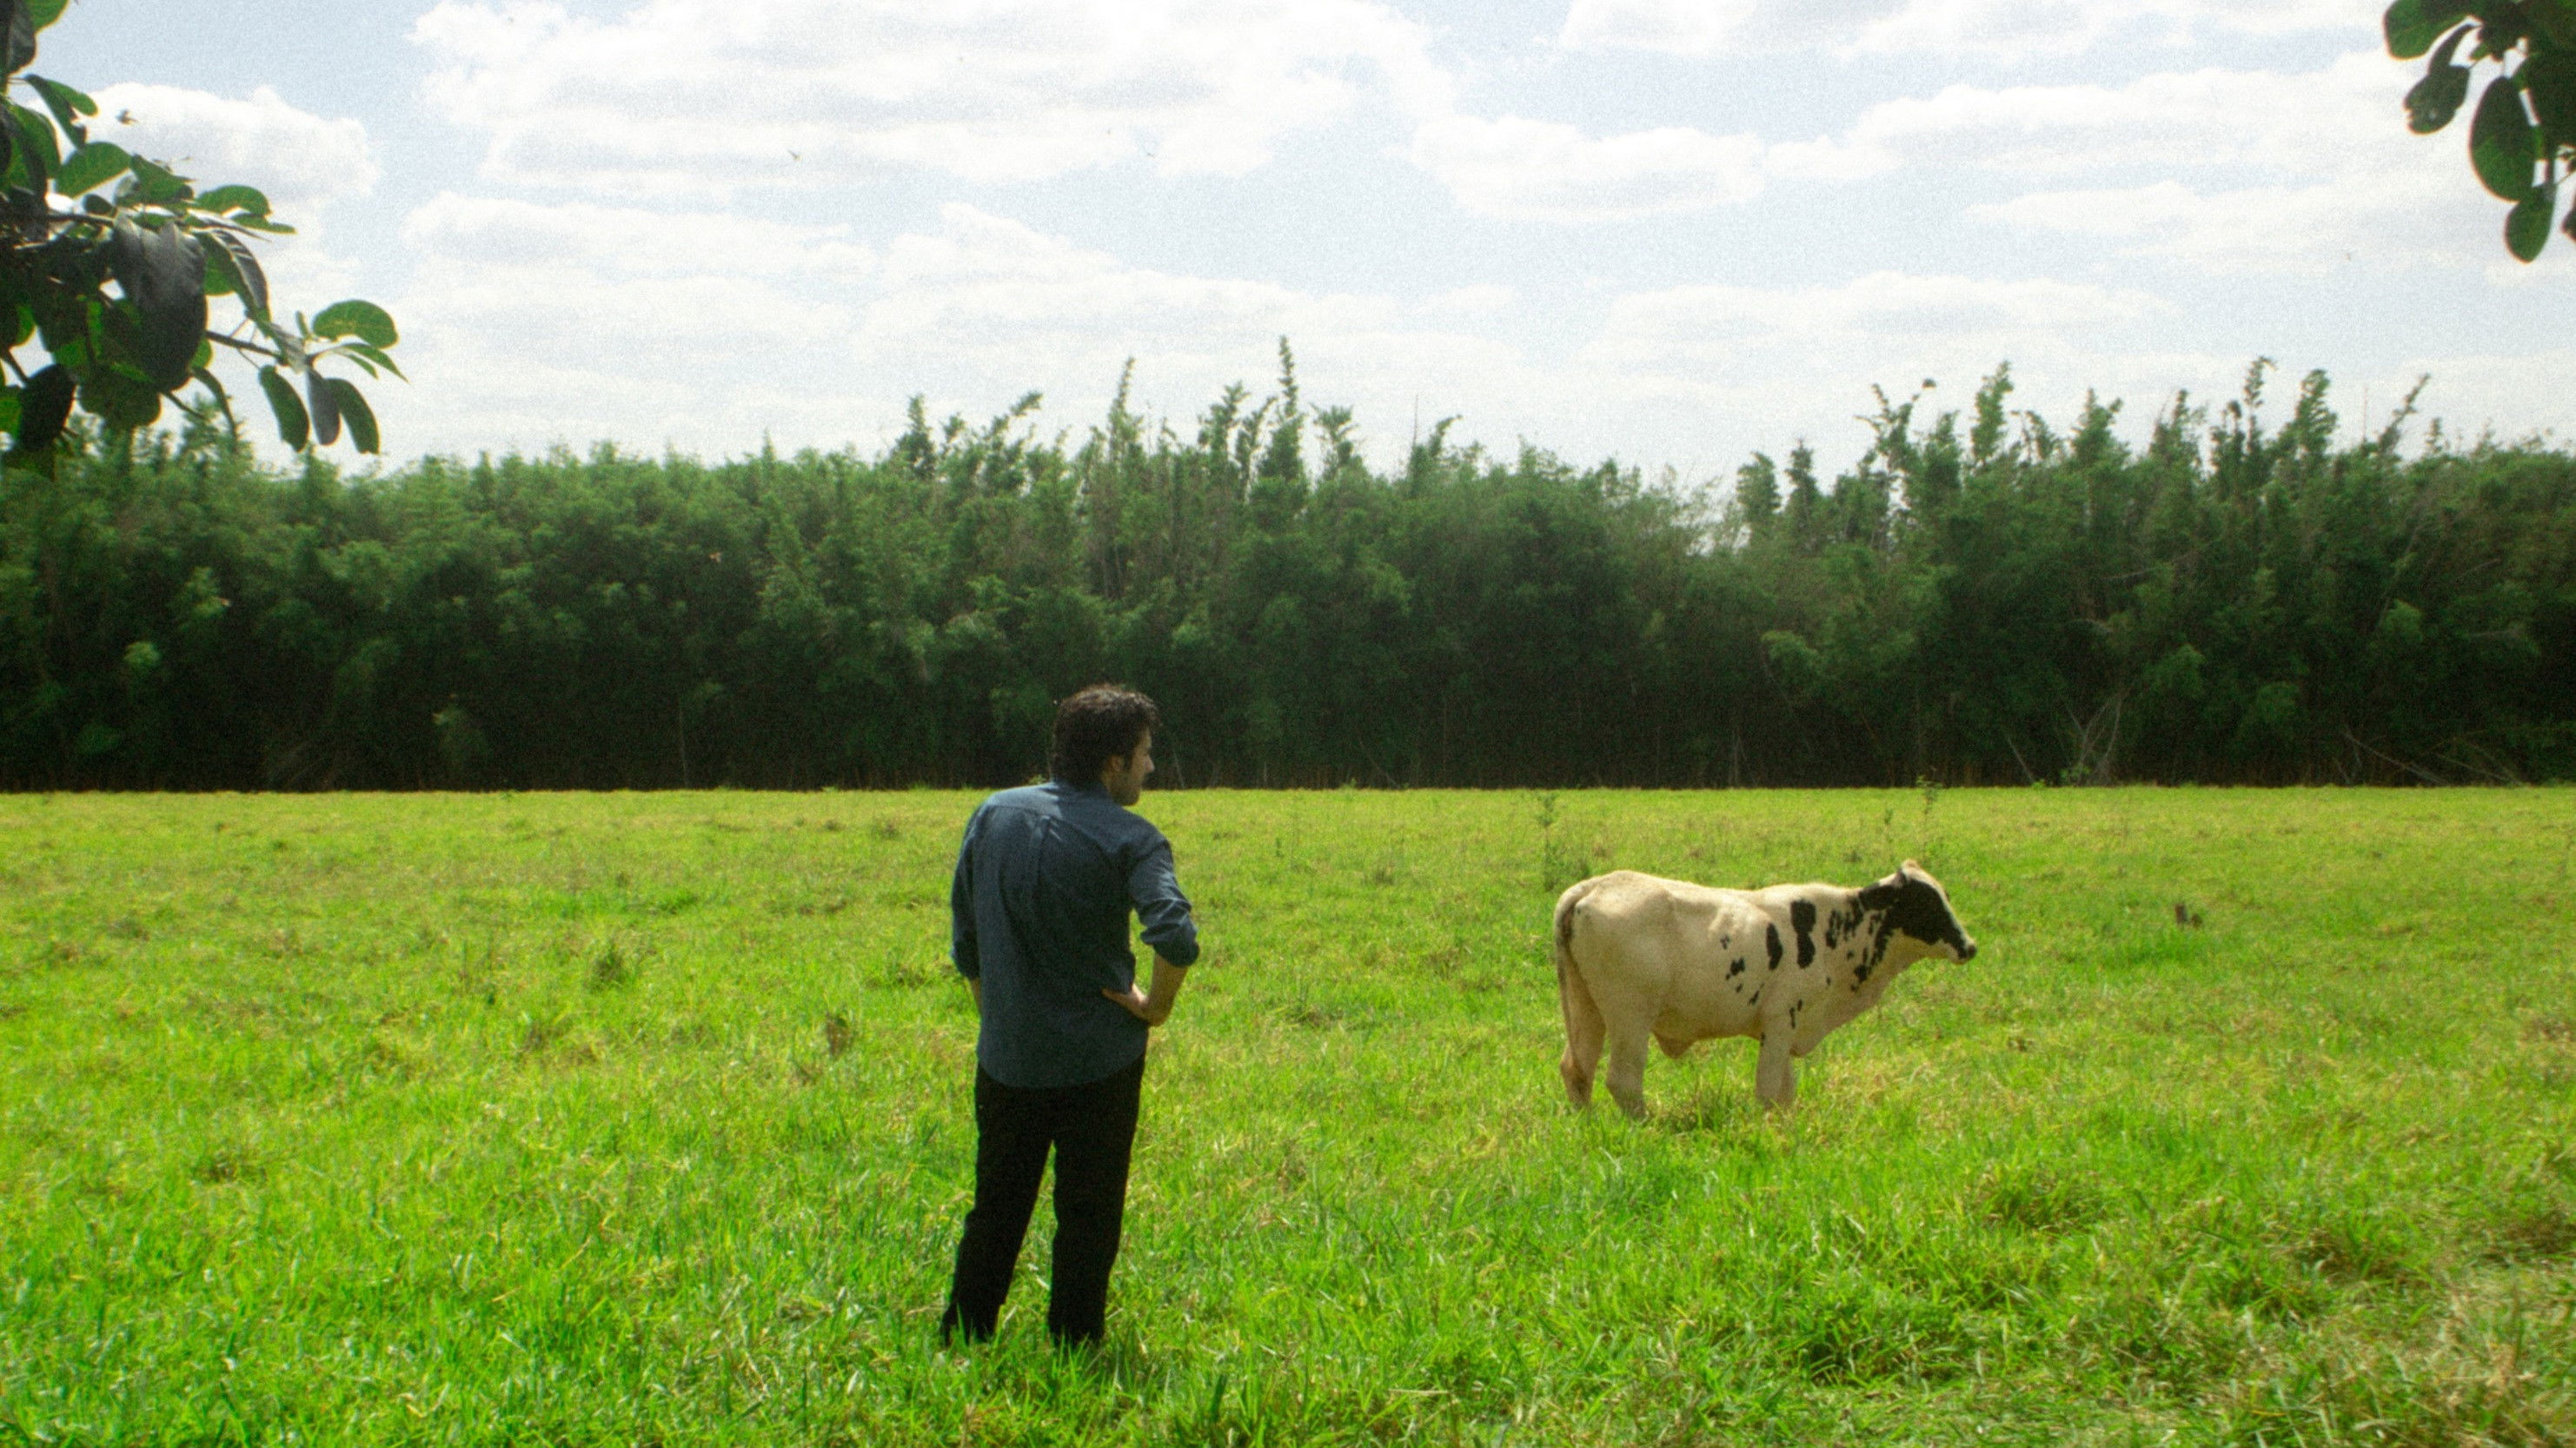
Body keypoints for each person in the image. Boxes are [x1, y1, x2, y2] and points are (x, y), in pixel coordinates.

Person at [939, 684, 1198, 1349]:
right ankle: (1075, 1348)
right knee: (1088, 1215)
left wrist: (996, 1015)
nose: (1150, 768)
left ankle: (964, 1340)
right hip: (1100, 1068)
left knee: (996, 1207)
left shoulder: (993, 814)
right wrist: (1156, 1007)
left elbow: (965, 936)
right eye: (1144, 755)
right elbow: (1175, 935)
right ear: (1114, 763)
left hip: (1008, 1059)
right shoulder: (1133, 837)